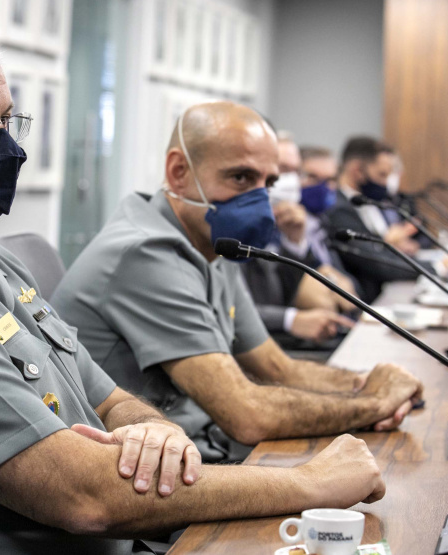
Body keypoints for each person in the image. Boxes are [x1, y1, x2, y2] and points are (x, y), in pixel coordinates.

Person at [0, 14, 387, 554]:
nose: (5, 147)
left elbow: (107, 397)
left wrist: (155, 430)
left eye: (5, 119)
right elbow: (83, 496)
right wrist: (309, 483)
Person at [51, 101, 423, 463]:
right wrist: (374, 403)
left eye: (268, 182)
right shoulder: (145, 253)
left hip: (203, 447)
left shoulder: (214, 242)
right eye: (241, 177)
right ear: (179, 171)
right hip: (144, 474)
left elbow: (277, 367)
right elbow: (246, 414)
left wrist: (365, 383)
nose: (260, 198)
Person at [242, 135, 357, 346]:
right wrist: (291, 319)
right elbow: (232, 307)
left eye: (296, 171)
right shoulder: (240, 223)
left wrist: (295, 241)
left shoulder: (300, 223)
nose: (291, 180)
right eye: (283, 170)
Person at [324, 136, 423, 302]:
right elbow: (376, 262)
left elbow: (381, 247)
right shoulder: (338, 209)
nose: (385, 184)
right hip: (365, 302)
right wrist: (435, 268)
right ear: (357, 171)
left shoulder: (370, 202)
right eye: (382, 175)